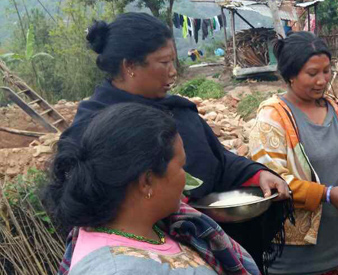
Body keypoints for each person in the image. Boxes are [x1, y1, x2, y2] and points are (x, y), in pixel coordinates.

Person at [60, 12, 292, 273]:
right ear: (130, 66)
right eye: (164, 62)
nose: (173, 72)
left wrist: (256, 174)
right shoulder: (94, 128)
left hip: (211, 240)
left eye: (174, 61)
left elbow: (217, 158)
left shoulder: (177, 111)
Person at [43, 103, 260, 275]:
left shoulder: (157, 225)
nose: (185, 178)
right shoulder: (116, 270)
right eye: (181, 166)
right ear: (146, 181)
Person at [247, 31, 338, 275]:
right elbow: (273, 182)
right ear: (290, 75)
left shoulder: (335, 108)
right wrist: (328, 194)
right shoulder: (272, 119)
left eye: (326, 71)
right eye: (312, 74)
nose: (322, 80)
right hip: (293, 258)